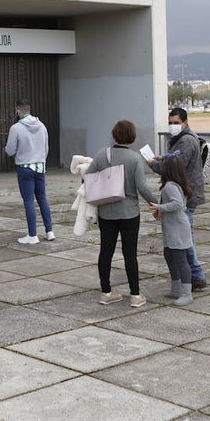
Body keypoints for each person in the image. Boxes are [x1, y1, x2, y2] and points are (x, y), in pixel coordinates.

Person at [87, 120, 159, 308]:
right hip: (129, 212)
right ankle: (135, 295)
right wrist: (155, 203)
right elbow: (142, 186)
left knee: (106, 252)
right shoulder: (134, 158)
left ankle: (106, 292)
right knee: (130, 254)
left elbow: (86, 176)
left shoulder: (102, 154)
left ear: (114, 135)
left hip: (106, 212)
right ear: (132, 137)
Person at [149, 108, 207, 290]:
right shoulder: (181, 139)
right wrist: (163, 157)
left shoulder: (186, 141)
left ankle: (196, 276)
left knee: (184, 240)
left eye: (176, 123)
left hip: (185, 196)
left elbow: (176, 167)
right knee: (185, 238)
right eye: (170, 122)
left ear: (185, 122)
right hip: (185, 194)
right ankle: (194, 276)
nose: (173, 126)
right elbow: (174, 158)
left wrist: (154, 165)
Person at [5, 99, 53, 244]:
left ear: (18, 111)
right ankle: (49, 231)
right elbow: (46, 147)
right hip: (40, 166)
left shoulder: (16, 128)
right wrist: (41, 160)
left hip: (25, 168)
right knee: (42, 198)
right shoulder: (42, 126)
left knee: (29, 201)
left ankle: (32, 235)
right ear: (29, 110)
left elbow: (10, 150)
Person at [149, 153, 195, 306]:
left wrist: (159, 207)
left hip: (177, 229)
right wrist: (161, 210)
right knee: (169, 255)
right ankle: (176, 289)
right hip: (173, 228)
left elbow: (178, 204)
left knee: (181, 260)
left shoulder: (170, 186)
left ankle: (186, 293)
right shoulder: (176, 184)